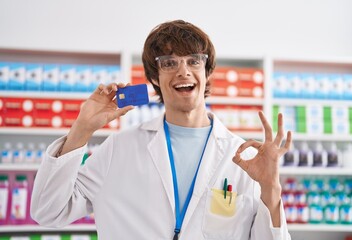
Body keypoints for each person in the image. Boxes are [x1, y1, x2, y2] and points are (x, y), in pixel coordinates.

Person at [31, 19, 292, 240]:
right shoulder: (118, 149)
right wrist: (82, 129)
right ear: (154, 77)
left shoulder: (243, 157)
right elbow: (48, 210)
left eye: (194, 61)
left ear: (208, 72)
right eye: (169, 63)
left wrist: (271, 189)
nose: (183, 71)